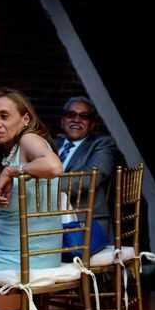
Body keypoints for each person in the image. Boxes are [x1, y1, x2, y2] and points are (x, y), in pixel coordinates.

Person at [0, 87, 63, 310]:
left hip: (30, 257)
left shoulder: (28, 139)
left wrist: (12, 170)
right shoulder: (5, 153)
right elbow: (2, 217)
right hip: (12, 251)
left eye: (4, 116)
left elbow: (55, 166)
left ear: (25, 119)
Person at [55, 96, 122, 238]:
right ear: (62, 121)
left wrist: (41, 185)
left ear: (92, 124)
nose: (76, 120)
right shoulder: (50, 145)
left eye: (84, 116)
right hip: (47, 220)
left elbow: (87, 179)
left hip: (84, 224)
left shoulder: (103, 144)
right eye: (71, 115)